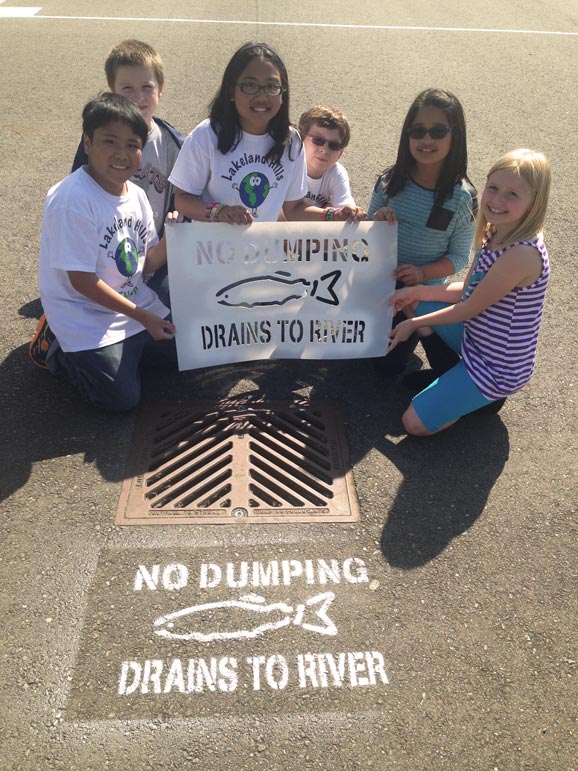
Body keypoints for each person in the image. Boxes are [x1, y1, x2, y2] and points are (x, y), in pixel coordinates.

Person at [29, 93, 177, 412]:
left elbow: (146, 261)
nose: (121, 154)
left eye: (132, 145)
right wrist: (144, 317)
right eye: (110, 141)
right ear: (87, 143)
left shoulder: (136, 195)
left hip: (131, 302)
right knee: (121, 399)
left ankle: (127, 353)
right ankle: (56, 344)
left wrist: (175, 237)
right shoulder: (72, 200)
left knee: (188, 353)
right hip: (84, 315)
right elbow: (82, 282)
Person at [387, 148, 551, 436]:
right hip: (477, 336)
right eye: (493, 188)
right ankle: (451, 379)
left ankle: (481, 401)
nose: (497, 201)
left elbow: (469, 307)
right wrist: (419, 291)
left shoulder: (522, 254)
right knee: (413, 298)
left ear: (534, 201)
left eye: (512, 194)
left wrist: (412, 323)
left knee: (412, 424)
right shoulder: (496, 232)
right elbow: (469, 288)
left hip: (496, 366)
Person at [169, 42, 364, 225]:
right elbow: (183, 198)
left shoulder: (291, 142)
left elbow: (293, 208)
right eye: (250, 85)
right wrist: (218, 212)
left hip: (264, 253)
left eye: (272, 86)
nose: (261, 96)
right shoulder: (207, 135)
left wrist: (332, 215)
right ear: (231, 90)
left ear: (282, 93)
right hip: (211, 254)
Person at [368, 88, 477, 377]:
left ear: (455, 137)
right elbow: (364, 238)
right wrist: (376, 223)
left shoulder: (463, 198)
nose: (426, 140)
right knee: (360, 352)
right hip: (378, 283)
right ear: (407, 135)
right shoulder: (389, 182)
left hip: (421, 292)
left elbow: (458, 257)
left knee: (387, 367)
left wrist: (421, 273)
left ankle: (426, 330)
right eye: (418, 131)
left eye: (438, 131)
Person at [71, 39, 184, 303]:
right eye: (127, 89)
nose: (138, 97)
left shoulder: (174, 144)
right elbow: (80, 191)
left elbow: (183, 196)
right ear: (112, 91)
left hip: (152, 253)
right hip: (106, 250)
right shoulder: (97, 141)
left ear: (161, 89)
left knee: (173, 301)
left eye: (147, 87)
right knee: (93, 298)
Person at [298, 105, 365, 217]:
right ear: (301, 139)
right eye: (318, 140)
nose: (324, 149)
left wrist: (351, 212)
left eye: (333, 145)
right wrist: (331, 213)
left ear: (340, 153)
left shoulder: (336, 173)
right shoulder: (289, 166)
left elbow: (345, 208)